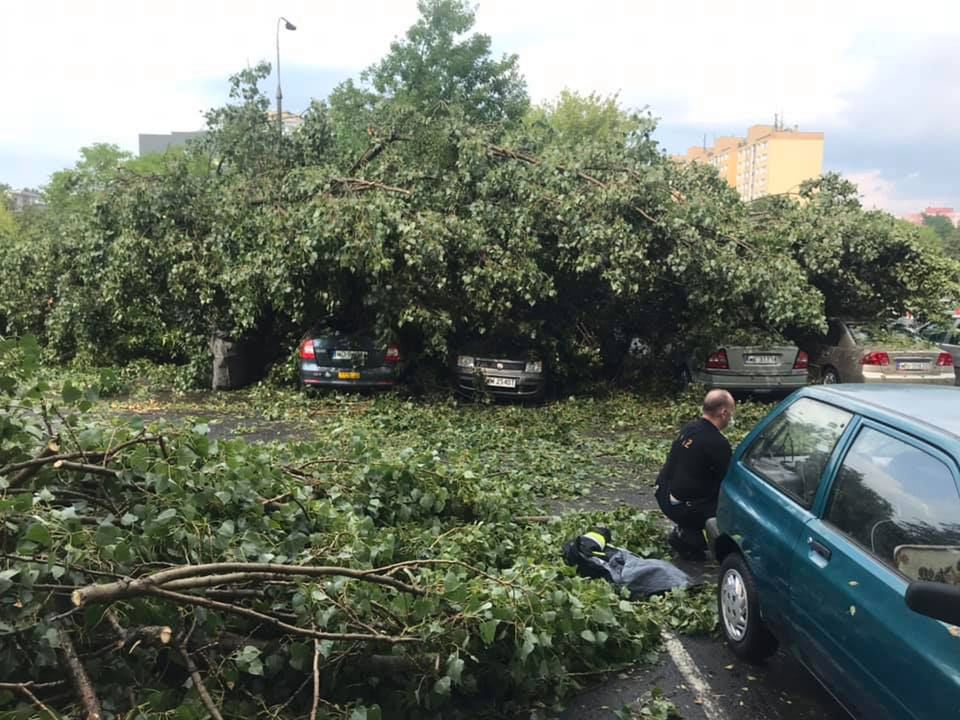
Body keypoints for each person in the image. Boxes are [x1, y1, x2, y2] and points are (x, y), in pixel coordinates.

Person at [655, 389, 735, 560]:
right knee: (733, 505)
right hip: (682, 506)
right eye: (731, 413)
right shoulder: (718, 443)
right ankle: (687, 536)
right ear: (724, 413)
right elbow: (730, 480)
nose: (731, 418)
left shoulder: (690, 428)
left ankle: (689, 533)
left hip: (663, 492)